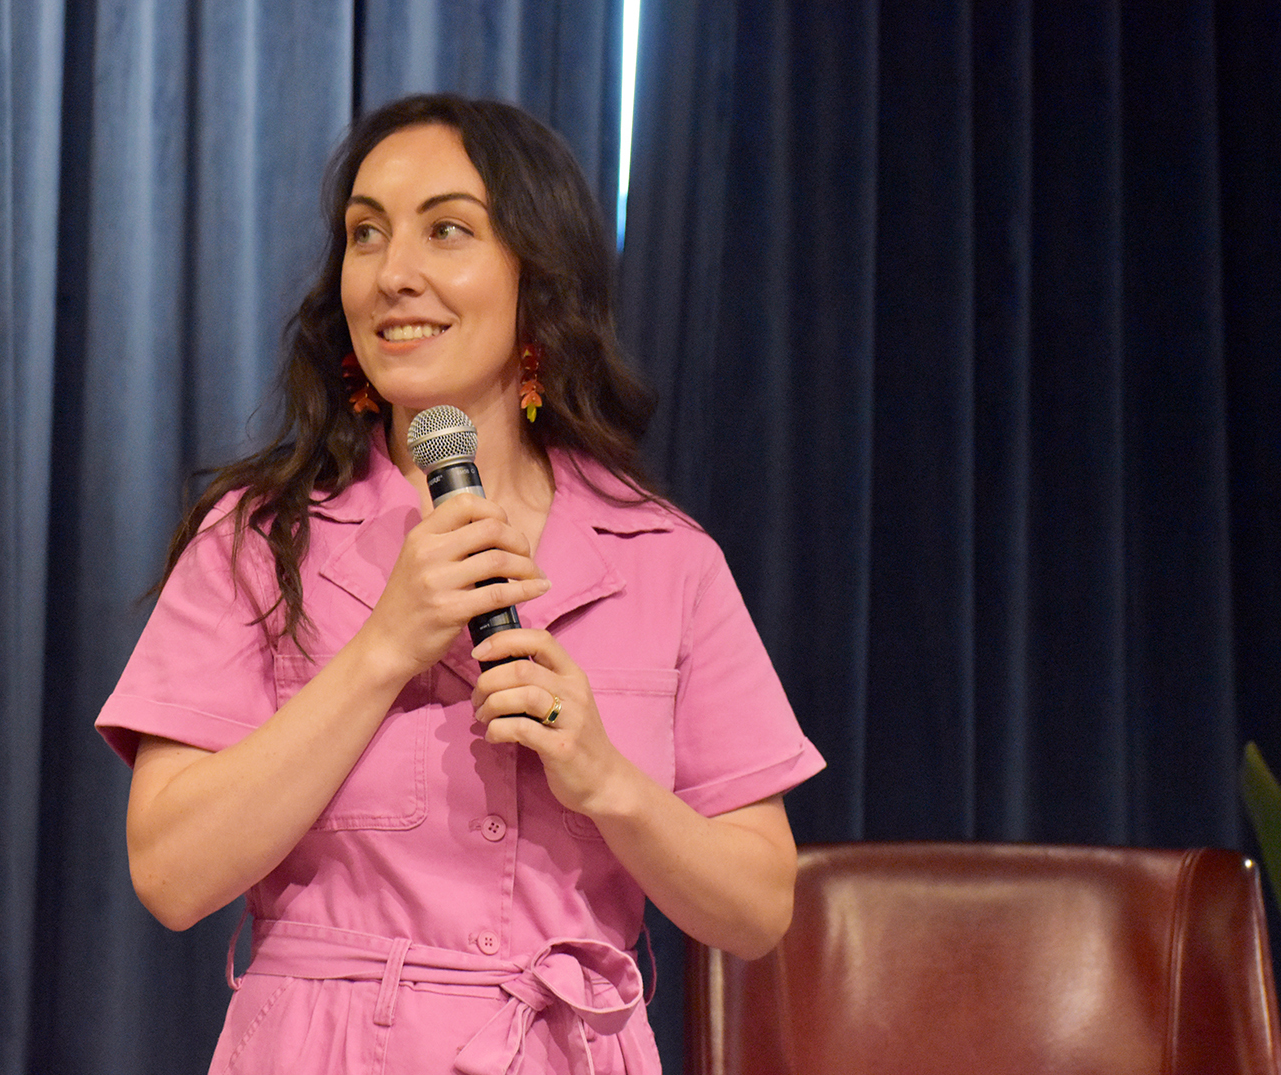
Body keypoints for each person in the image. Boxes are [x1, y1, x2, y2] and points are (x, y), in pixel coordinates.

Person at [96, 93, 824, 1075]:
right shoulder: (260, 538)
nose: (394, 274)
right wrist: (380, 652)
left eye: (447, 230)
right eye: (365, 235)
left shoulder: (664, 556)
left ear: (538, 278)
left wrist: (610, 782)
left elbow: (757, 908)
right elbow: (172, 874)